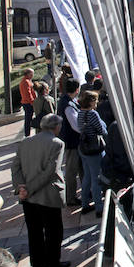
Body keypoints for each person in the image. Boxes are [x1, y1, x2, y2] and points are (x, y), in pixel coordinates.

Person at [10, 114, 69, 267]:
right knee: (53, 231)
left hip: (28, 198)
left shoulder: (25, 142)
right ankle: (52, 264)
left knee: (34, 231)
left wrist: (21, 188)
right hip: (47, 195)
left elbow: (15, 168)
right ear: (56, 127)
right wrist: (29, 188)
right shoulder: (57, 144)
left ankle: (36, 262)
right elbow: (50, 171)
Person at [77, 90, 107, 217]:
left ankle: (84, 204)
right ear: (90, 102)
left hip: (83, 148)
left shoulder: (80, 113)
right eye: (95, 100)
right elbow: (102, 129)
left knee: (87, 176)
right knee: (96, 178)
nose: (97, 102)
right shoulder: (93, 114)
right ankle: (99, 208)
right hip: (94, 149)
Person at [57, 78, 82, 206]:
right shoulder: (68, 105)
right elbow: (76, 126)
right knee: (72, 171)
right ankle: (71, 198)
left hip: (71, 141)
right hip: (72, 142)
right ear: (77, 89)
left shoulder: (67, 101)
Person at [19, 68, 36, 138]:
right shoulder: (26, 82)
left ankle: (27, 133)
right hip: (28, 103)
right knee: (28, 119)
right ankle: (27, 134)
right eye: (31, 74)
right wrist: (32, 102)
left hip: (27, 102)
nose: (32, 75)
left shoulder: (27, 81)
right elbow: (28, 94)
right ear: (28, 74)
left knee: (28, 119)